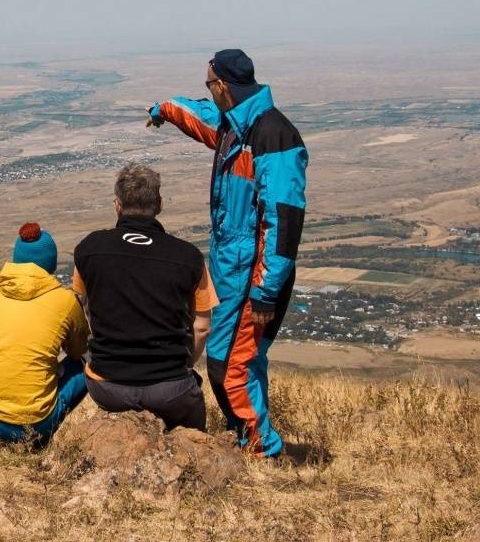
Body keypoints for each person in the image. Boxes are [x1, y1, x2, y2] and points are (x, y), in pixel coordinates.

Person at [147, 49, 308, 457]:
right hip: (233, 273)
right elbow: (196, 114)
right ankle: (252, 440)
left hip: (255, 279)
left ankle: (261, 451)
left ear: (223, 86)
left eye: (209, 85)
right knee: (240, 363)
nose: (208, 92)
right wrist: (162, 110)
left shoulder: (273, 137)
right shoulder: (234, 127)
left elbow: (283, 223)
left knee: (229, 368)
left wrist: (266, 292)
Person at [72, 164, 217, 431]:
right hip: (170, 388)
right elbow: (202, 326)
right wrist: (183, 366)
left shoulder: (89, 249)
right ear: (159, 205)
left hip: (106, 385)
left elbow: (77, 307)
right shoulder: (188, 258)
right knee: (190, 426)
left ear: (118, 205)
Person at [0, 222, 89, 446]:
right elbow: (78, 350)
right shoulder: (65, 301)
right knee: (86, 363)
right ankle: (40, 440)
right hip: (36, 422)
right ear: (50, 264)